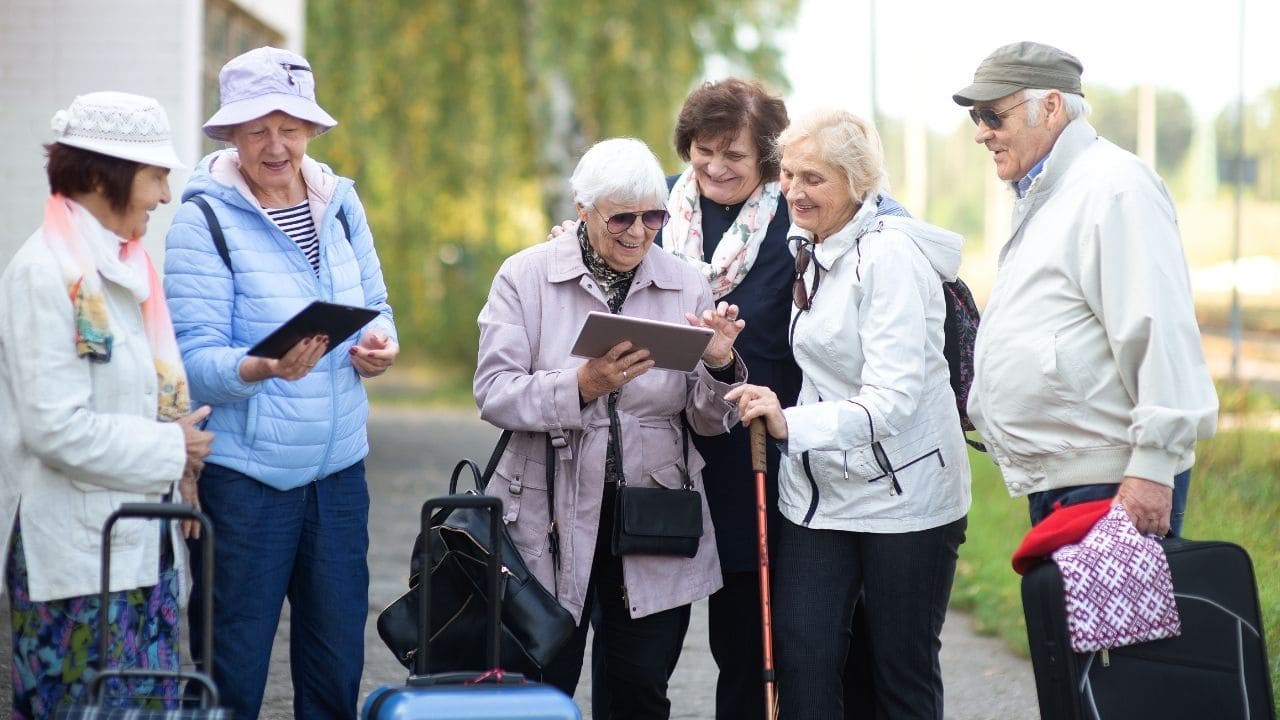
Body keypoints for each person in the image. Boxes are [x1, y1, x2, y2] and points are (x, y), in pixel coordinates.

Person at [163, 46, 399, 720]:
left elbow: (376, 306)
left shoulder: (342, 203)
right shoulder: (202, 220)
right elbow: (195, 360)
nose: (276, 146)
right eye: (258, 129)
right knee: (231, 671)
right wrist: (261, 367)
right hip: (246, 482)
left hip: (338, 475)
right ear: (231, 134)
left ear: (311, 131)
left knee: (334, 673)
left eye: (290, 128)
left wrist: (381, 344)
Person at [475, 137, 746, 718]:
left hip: (652, 520)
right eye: (622, 216)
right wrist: (580, 386)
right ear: (582, 209)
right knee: (538, 690)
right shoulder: (524, 276)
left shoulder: (687, 283)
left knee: (640, 693)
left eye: (654, 216)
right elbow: (494, 392)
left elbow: (702, 416)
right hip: (544, 518)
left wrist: (721, 365)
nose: (639, 231)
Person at [728, 108, 971, 720]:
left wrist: (789, 423)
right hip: (822, 491)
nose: (795, 190)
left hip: (907, 495)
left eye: (814, 178)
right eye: (787, 174)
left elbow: (891, 399)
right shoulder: (809, 245)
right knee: (802, 658)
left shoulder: (889, 258)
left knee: (898, 674)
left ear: (858, 184)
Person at [0, 91, 213, 719]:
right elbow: (55, 430)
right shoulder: (46, 273)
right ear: (99, 175)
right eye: (155, 176)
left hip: (139, 545)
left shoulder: (124, 269)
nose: (165, 196)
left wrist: (177, 462)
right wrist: (173, 445)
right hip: (78, 562)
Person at [950, 41, 1217, 537]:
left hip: (1112, 482)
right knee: (1069, 619)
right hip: (1073, 478)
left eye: (993, 115)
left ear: (1051, 107)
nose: (982, 133)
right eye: (977, 118)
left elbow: (1158, 332)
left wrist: (1153, 466)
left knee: (1117, 619)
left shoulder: (1114, 187)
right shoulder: (1055, 190)